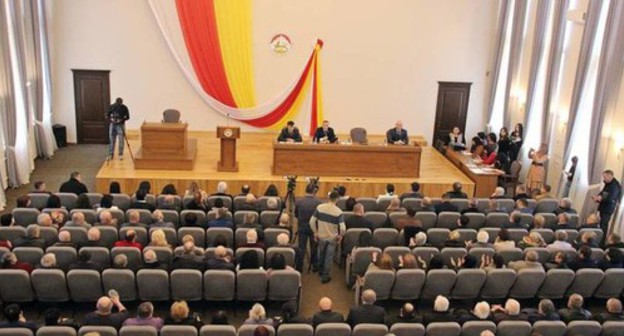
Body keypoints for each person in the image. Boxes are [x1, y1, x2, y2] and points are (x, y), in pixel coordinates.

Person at [310, 190, 345, 283]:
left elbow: (312, 221)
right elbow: (342, 228)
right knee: (328, 258)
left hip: (321, 236)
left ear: (328, 198)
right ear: (337, 199)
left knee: (320, 254)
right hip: (332, 238)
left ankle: (320, 271)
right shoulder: (339, 212)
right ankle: (325, 276)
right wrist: (340, 236)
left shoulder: (320, 207)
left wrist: (315, 232)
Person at [592, 170, 622, 238]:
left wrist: (600, 198)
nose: (604, 179)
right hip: (604, 207)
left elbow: (610, 198)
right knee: (602, 225)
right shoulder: (608, 184)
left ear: (610, 176)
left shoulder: (615, 186)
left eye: (605, 177)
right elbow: (603, 193)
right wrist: (597, 197)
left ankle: (601, 243)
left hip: (608, 209)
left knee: (603, 226)